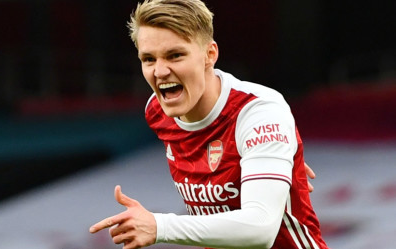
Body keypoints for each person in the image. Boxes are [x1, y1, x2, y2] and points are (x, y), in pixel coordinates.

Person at [89, 0, 328, 248]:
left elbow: (261, 228)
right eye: (148, 59)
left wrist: (160, 226)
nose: (160, 72)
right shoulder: (157, 110)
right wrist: (270, 160)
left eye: (175, 55)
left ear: (209, 55)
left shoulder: (257, 111)